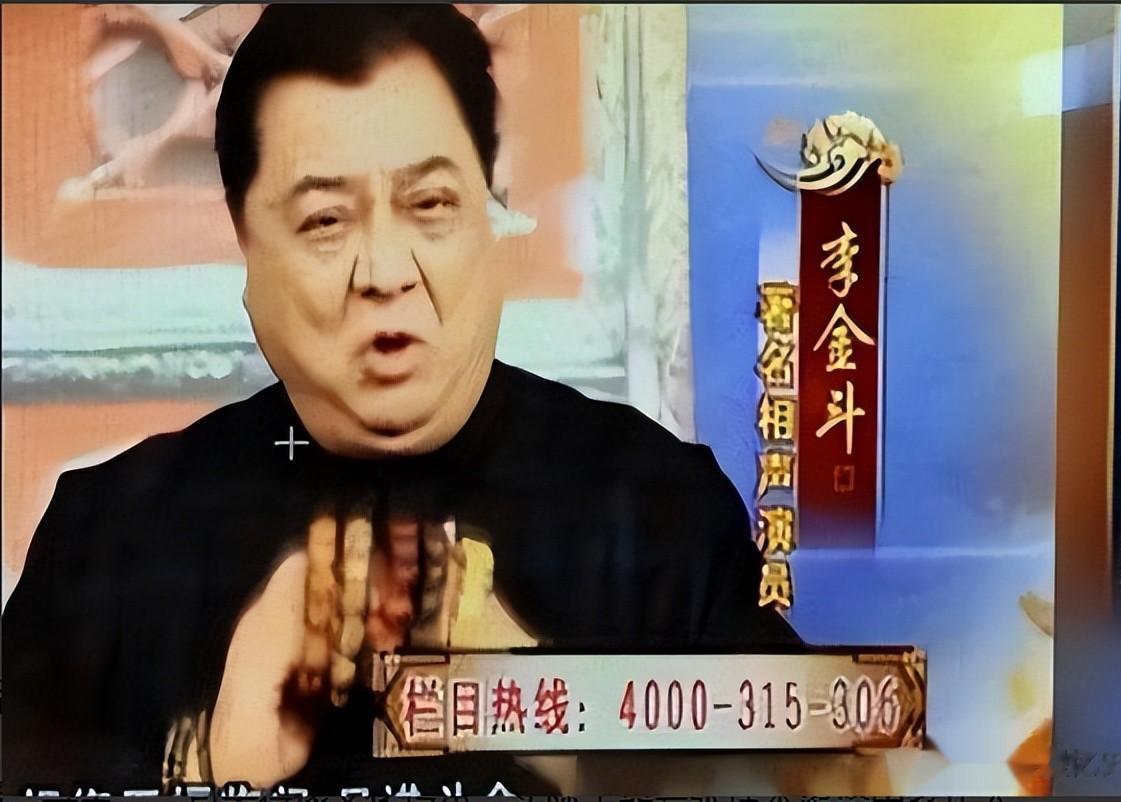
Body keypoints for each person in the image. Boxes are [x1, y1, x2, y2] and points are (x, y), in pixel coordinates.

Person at [1, 4, 801, 795]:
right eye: (325, 219)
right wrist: (213, 765)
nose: (385, 271)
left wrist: (532, 707)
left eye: (430, 205)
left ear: (488, 219)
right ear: (247, 248)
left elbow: (814, 774)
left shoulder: (655, 507)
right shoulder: (106, 537)